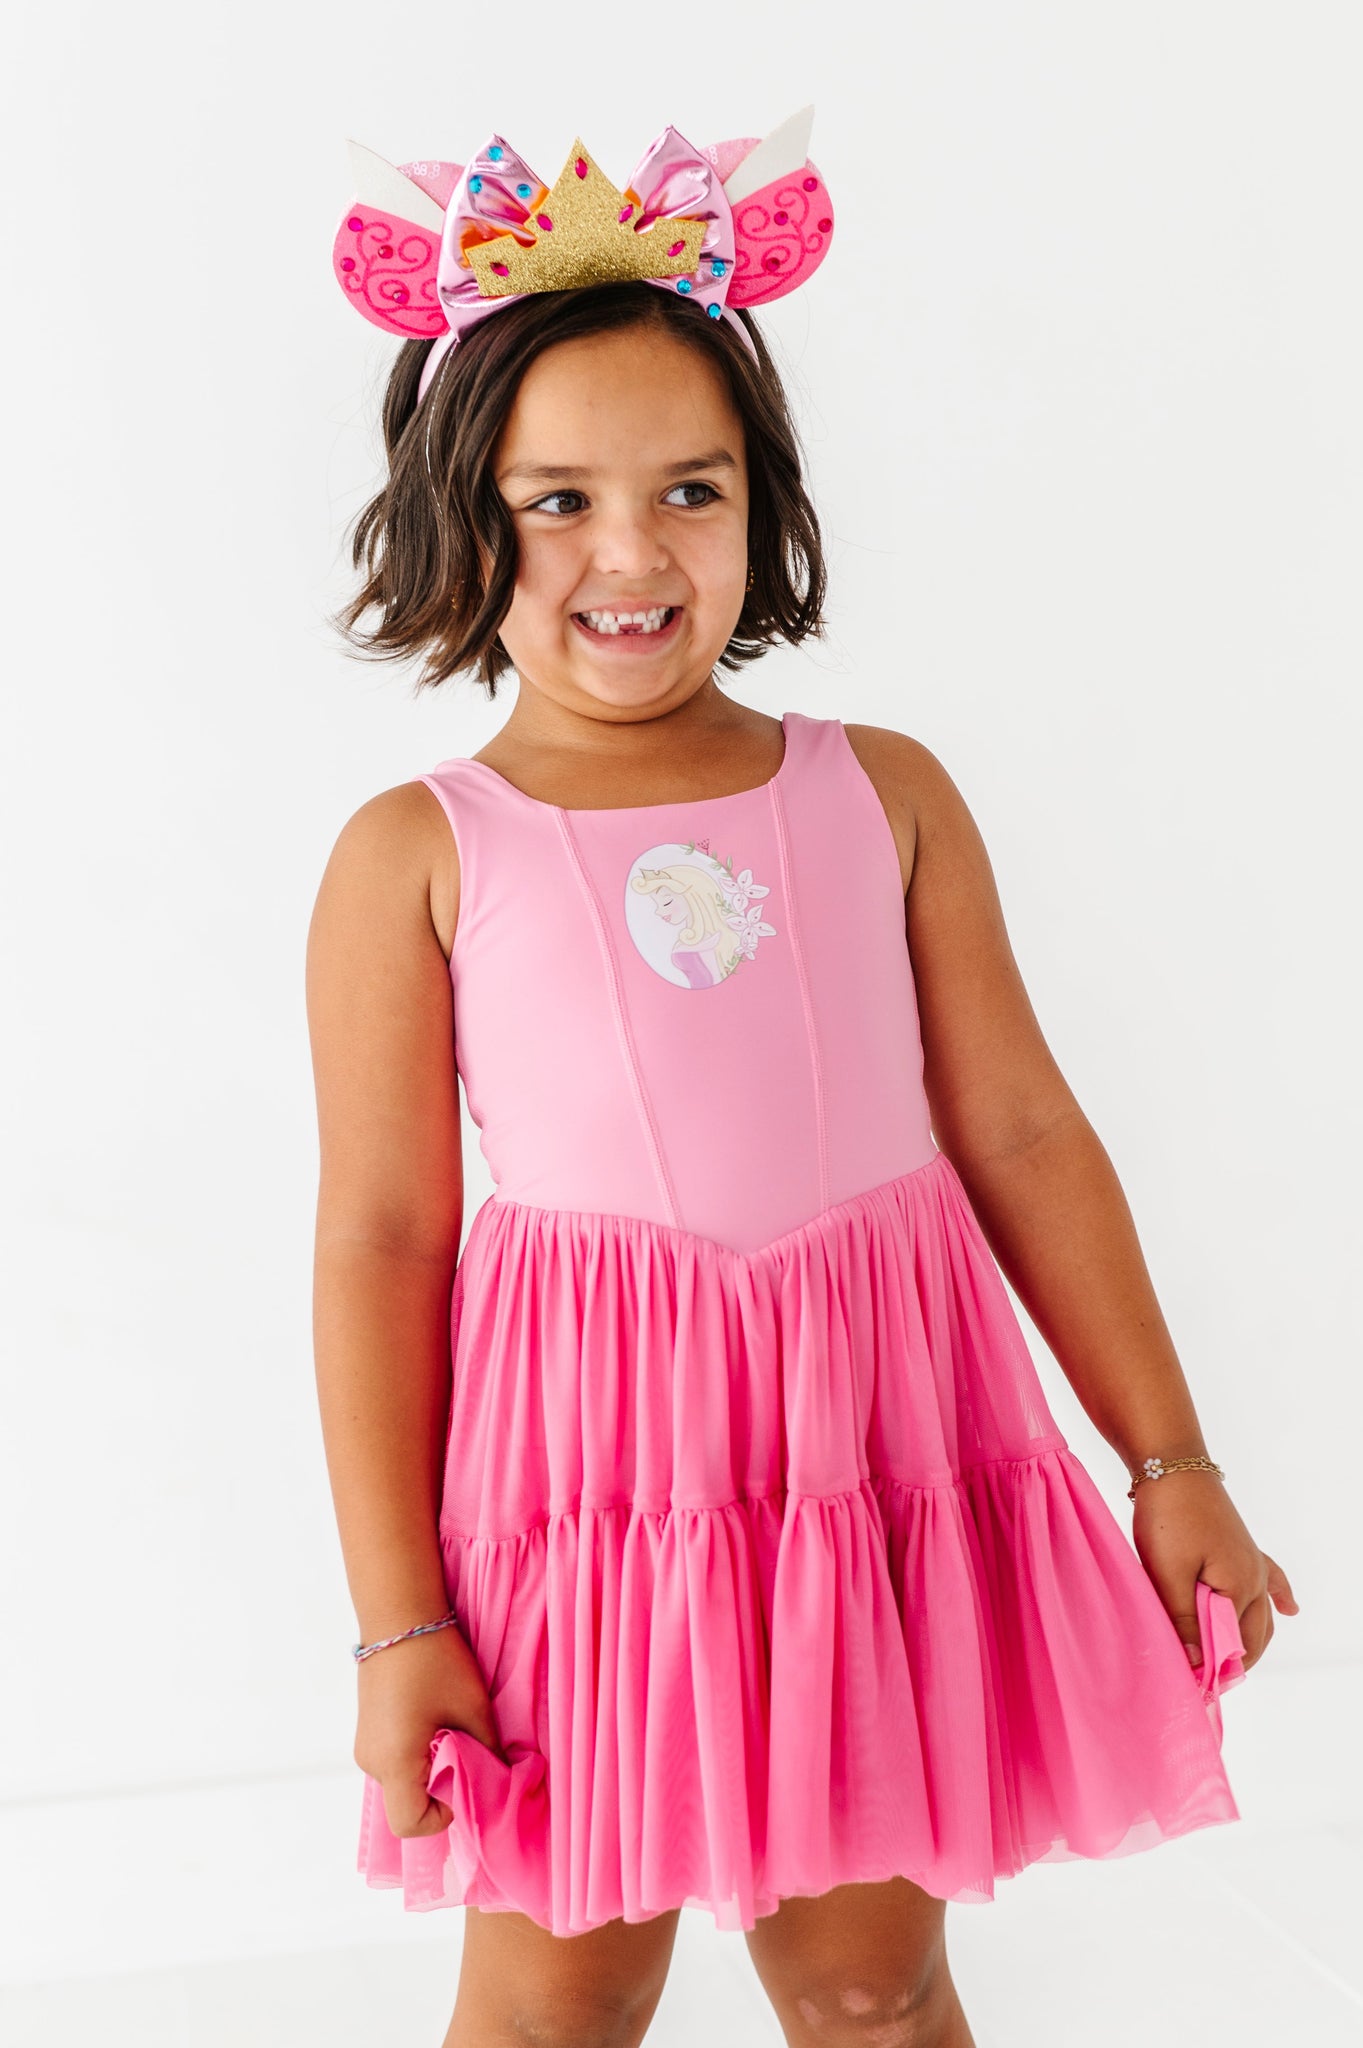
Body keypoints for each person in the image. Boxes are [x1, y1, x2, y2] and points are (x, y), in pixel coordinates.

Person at [306, 119, 1299, 2048]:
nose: (630, 553)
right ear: (458, 523)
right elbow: (384, 1240)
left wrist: (1170, 1462)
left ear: (763, 503)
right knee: (559, 1994)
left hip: (870, 1458)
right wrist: (400, 1621)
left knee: (868, 1977)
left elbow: (1022, 1132)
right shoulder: (418, 853)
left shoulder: (882, 795)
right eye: (557, 500)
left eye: (690, 489)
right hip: (593, 1499)